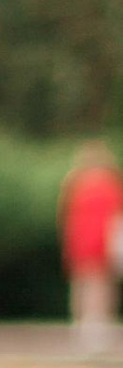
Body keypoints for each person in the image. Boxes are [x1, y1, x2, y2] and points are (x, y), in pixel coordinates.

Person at [60, 140, 122, 346]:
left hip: (83, 245)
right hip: (98, 245)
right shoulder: (110, 185)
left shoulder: (75, 184)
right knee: (99, 287)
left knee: (85, 286)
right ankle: (95, 327)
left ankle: (85, 326)